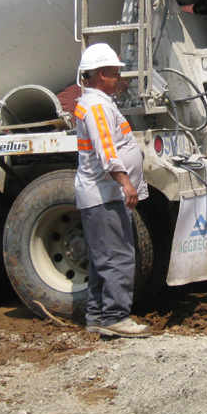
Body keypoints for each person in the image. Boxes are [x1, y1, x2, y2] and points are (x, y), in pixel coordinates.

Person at [74, 42, 151, 338]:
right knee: (118, 256)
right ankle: (116, 317)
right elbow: (107, 151)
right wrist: (126, 182)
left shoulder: (96, 102)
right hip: (105, 195)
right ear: (101, 73)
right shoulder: (96, 107)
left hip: (98, 195)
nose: (119, 78)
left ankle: (97, 316)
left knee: (101, 258)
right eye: (115, 73)